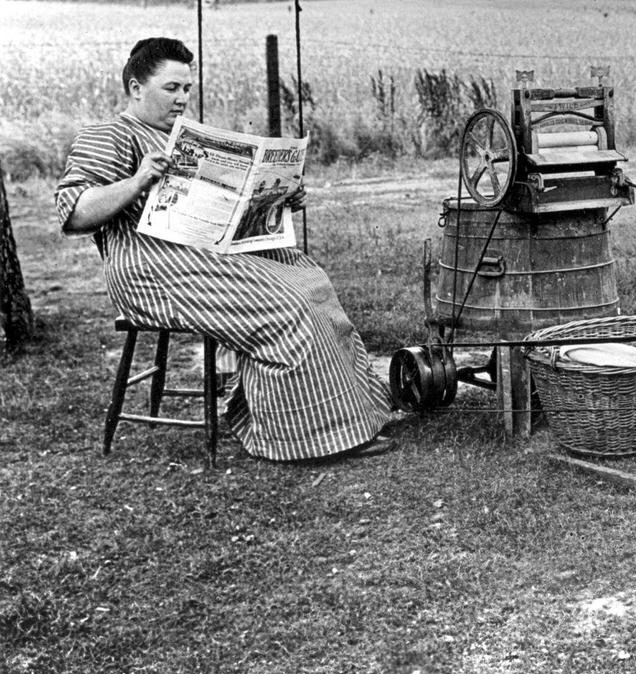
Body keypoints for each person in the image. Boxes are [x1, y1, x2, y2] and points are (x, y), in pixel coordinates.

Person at [56, 37, 395, 462]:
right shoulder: (109, 136)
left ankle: (348, 418)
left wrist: (278, 196)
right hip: (151, 268)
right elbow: (75, 214)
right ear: (136, 87)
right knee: (286, 303)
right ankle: (304, 438)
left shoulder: (183, 137)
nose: (182, 99)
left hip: (202, 255)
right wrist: (139, 180)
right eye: (171, 88)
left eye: (187, 89)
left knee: (311, 281)